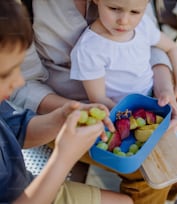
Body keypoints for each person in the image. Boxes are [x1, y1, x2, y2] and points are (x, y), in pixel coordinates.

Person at [9, 0, 177, 203]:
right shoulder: (17, 9)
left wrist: (165, 85)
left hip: (136, 96)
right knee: (156, 169)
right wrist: (76, 110)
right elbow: (21, 84)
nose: (124, 19)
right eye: (115, 9)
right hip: (65, 110)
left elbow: (147, 38)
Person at [0, 1, 133, 204]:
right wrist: (64, 158)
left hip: (26, 185)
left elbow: (18, 129)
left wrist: (61, 117)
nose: (18, 81)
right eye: (5, 74)